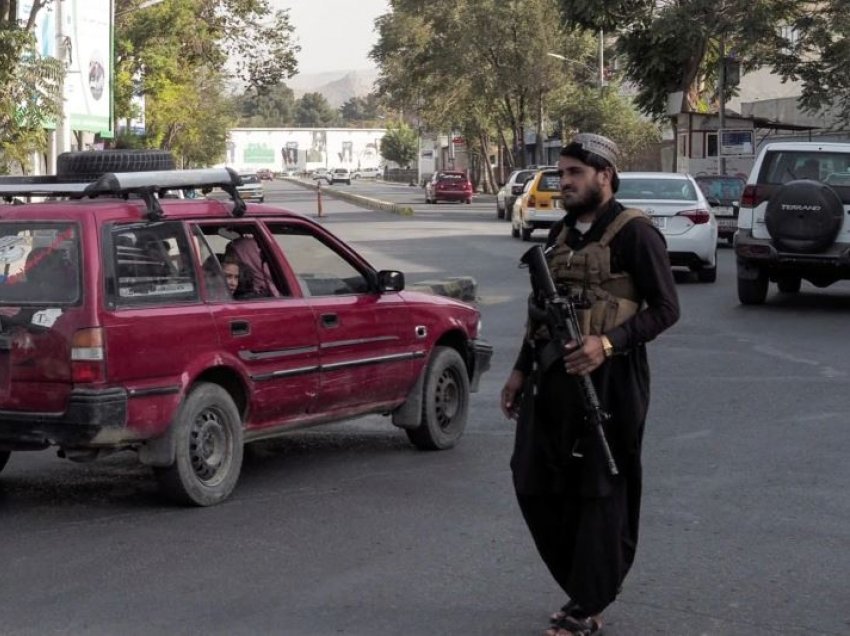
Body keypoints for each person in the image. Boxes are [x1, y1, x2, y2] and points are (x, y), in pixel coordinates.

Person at [500, 133, 680, 636]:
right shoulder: (559, 236)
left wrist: (609, 343)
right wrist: (519, 370)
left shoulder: (634, 233)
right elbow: (540, 316)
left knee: (601, 489)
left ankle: (589, 602)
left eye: (576, 173)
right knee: (533, 480)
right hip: (552, 378)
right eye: (561, 174)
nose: (566, 183)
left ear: (605, 175)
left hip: (613, 382)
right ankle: (582, 586)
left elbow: (667, 309)